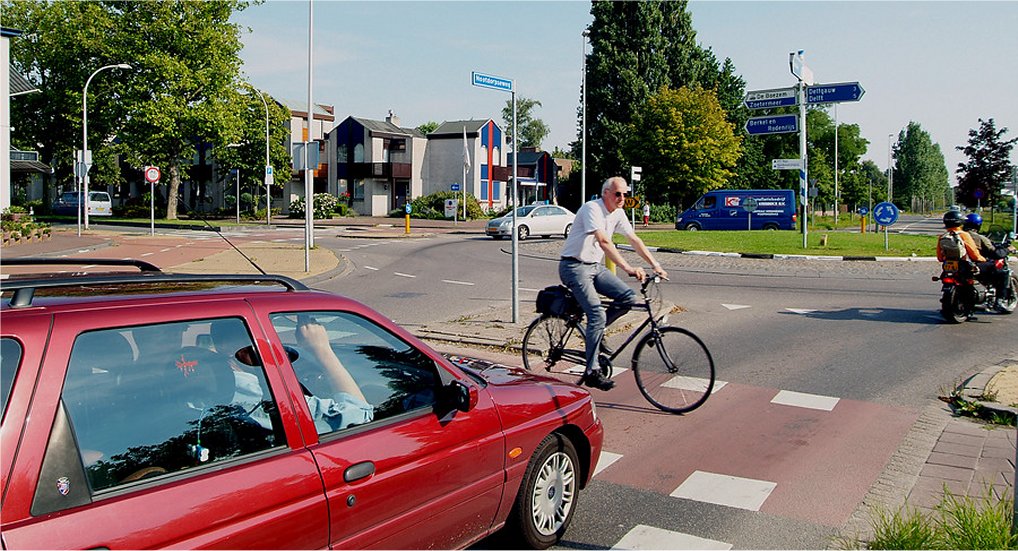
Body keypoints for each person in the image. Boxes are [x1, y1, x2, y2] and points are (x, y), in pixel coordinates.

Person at [559, 176, 668, 391]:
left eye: (625, 194)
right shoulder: (593, 208)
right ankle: (591, 371)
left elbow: (634, 239)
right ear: (606, 193)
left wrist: (656, 264)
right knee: (597, 314)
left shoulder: (618, 213)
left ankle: (596, 334)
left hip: (594, 267)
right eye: (618, 194)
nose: (622, 198)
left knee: (627, 298)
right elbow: (604, 241)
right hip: (574, 267)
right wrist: (628, 268)